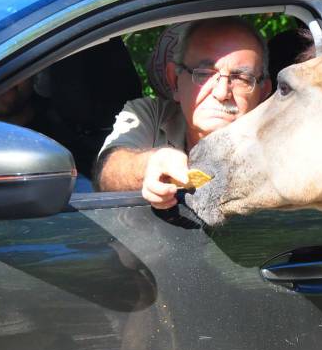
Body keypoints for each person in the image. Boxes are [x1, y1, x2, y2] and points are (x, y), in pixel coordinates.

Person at [95, 17, 272, 209]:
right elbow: (107, 174)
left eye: (241, 78)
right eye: (204, 73)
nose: (222, 92)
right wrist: (151, 164)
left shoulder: (282, 139)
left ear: (263, 92)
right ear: (174, 81)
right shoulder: (150, 115)